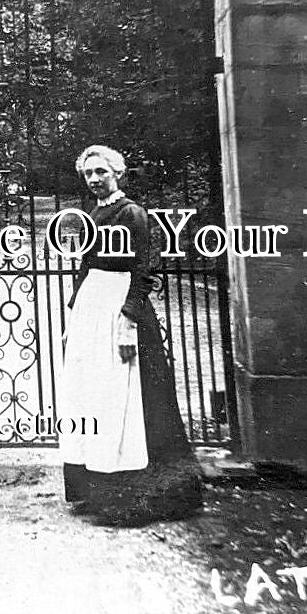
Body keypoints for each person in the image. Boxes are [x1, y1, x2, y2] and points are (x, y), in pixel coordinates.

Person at [59, 144, 202, 526]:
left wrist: (129, 320)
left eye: (100, 172)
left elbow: (146, 269)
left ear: (117, 173)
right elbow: (87, 267)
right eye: (88, 174)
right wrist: (74, 314)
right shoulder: (93, 212)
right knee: (97, 398)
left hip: (121, 308)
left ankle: (132, 498)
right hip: (92, 308)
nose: (94, 179)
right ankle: (98, 489)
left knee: (128, 403)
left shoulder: (132, 213)